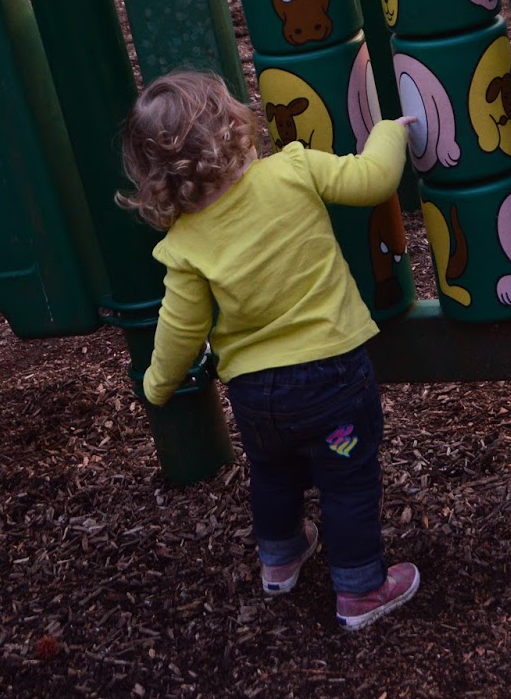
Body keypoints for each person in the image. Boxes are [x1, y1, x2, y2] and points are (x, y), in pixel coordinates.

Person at [119, 69, 420, 632]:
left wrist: (158, 384)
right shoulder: (293, 170)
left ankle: (280, 559)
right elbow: (374, 179)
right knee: (347, 477)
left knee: (273, 473)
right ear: (235, 126)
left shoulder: (185, 245)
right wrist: (389, 131)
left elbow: (180, 329)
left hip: (260, 401)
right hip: (332, 388)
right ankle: (360, 589)